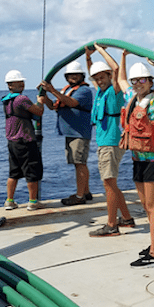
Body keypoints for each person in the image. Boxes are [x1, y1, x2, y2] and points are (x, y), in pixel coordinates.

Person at [117, 51, 154, 268]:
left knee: (153, 207)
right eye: (135, 80)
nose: (137, 84)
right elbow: (120, 79)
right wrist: (123, 57)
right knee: (145, 205)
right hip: (137, 159)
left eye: (142, 80)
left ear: (149, 81)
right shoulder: (132, 98)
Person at [85, 44, 135, 237]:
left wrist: (99, 50)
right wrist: (89, 58)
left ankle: (112, 225)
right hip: (106, 141)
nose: (99, 81)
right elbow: (95, 75)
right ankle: (127, 219)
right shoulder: (100, 92)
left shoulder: (114, 92)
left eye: (102, 77)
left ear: (108, 76)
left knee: (108, 183)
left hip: (111, 142)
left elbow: (116, 69)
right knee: (111, 183)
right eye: (96, 78)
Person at [38, 61, 94, 206]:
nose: (73, 77)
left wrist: (51, 90)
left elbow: (72, 103)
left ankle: (80, 196)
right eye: (70, 75)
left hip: (79, 132)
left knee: (80, 163)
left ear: (82, 76)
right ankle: (85, 192)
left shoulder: (84, 91)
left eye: (76, 74)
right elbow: (54, 106)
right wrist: (46, 98)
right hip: (70, 132)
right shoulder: (67, 89)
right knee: (78, 163)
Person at [2, 69, 46, 211]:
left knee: (14, 172)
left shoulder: (7, 100)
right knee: (31, 170)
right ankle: (33, 201)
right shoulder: (22, 99)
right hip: (25, 140)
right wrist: (40, 101)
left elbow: (27, 114)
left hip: (12, 142)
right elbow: (38, 112)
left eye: (22, 82)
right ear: (10, 85)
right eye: (18, 82)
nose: (21, 84)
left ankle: (9, 200)